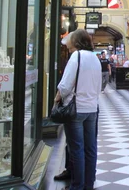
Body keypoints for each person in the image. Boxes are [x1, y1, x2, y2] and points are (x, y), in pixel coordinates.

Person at [55, 30, 101, 190]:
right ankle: (88, 184)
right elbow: (99, 85)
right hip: (92, 109)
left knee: (77, 149)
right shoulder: (95, 58)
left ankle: (77, 186)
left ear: (76, 41)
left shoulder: (77, 56)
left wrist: (57, 96)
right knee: (90, 148)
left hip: (76, 110)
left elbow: (65, 85)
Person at [54, 31, 76, 182]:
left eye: (68, 44)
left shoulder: (75, 58)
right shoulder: (91, 58)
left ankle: (74, 177)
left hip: (74, 107)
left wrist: (56, 99)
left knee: (74, 142)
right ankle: (84, 178)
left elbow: (65, 85)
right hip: (89, 107)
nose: (66, 46)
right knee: (83, 144)